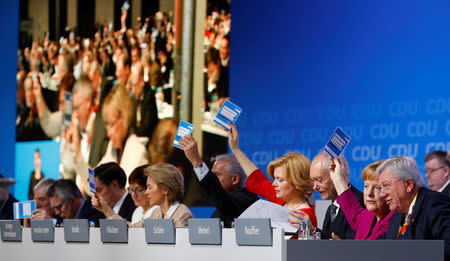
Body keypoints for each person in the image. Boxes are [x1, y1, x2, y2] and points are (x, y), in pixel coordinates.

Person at [228, 124, 318, 228]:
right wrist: (235, 149)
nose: (274, 184)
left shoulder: (306, 218)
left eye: (280, 180)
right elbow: (258, 180)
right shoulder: (281, 199)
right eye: (274, 178)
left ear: (297, 183)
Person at [75, 84, 148, 194]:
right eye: (106, 126)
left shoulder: (137, 151)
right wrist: (78, 154)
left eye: (112, 125)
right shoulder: (112, 149)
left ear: (123, 118)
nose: (108, 133)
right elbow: (93, 183)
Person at [376, 156, 450, 260]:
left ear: (408, 184)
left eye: (387, 185)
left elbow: (447, 248)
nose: (382, 194)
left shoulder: (436, 204)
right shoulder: (395, 217)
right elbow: (377, 247)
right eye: (381, 188)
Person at [179, 135, 259, 228]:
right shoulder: (220, 208)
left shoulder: (246, 199)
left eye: (217, 175)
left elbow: (220, 196)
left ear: (235, 179)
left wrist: (196, 161)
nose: (213, 179)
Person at [292, 151, 364, 239]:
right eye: (313, 181)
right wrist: (313, 230)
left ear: (338, 174)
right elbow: (330, 240)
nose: (314, 187)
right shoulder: (331, 207)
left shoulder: (361, 204)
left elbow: (358, 247)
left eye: (320, 179)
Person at [327, 159, 393, 240]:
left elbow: (370, 251)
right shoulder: (368, 215)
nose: (369, 193)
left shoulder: (394, 221)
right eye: (366, 186)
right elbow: (352, 210)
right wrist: (337, 179)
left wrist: (344, 249)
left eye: (377, 187)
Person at [129, 62, 159, 140]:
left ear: (142, 82)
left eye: (135, 85)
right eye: (131, 85)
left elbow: (145, 128)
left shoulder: (149, 96)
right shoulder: (133, 98)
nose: (133, 89)